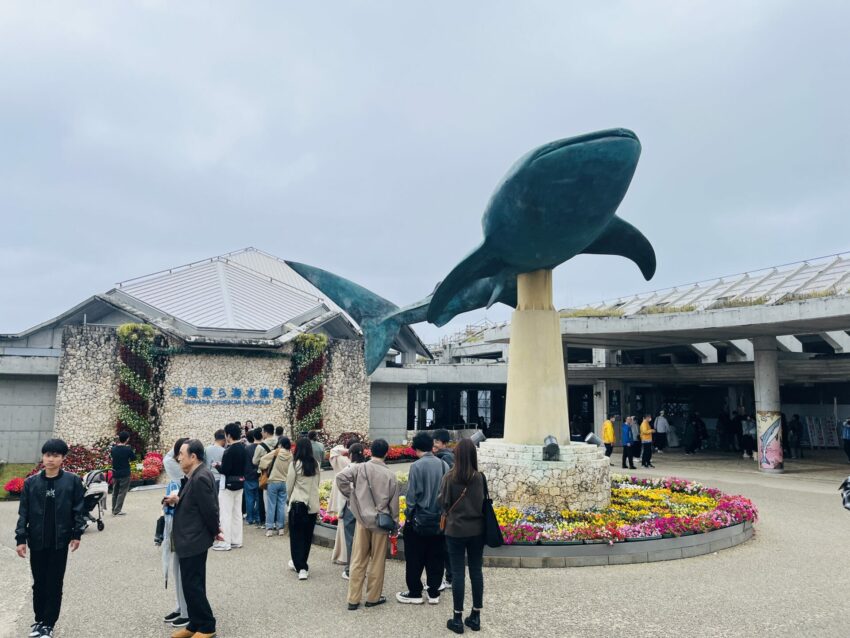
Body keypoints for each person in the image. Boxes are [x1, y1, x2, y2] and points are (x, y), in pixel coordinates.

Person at [15, 438, 85, 638]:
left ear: (63, 458)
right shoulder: (31, 483)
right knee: (39, 583)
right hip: (37, 540)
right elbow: (23, 513)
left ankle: (49, 624)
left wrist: (76, 534)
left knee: (54, 582)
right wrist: (21, 539)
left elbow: (78, 509)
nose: (50, 459)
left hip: (59, 541)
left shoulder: (72, 481)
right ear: (43, 457)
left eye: (55, 455)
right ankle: (39, 621)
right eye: (47, 455)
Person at [336, 438, 399, 610]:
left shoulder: (360, 468)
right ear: (387, 453)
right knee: (377, 561)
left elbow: (340, 477)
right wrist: (394, 524)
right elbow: (394, 505)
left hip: (362, 520)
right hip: (381, 523)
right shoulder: (390, 475)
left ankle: (353, 599)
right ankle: (373, 597)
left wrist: (352, 496)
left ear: (370, 451)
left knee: (358, 559)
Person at [167, 439, 222, 638]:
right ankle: (195, 623)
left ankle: (207, 626)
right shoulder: (194, 475)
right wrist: (177, 499)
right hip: (188, 538)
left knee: (194, 585)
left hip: (194, 539)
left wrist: (215, 531)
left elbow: (210, 509)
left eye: (182, 454)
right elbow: (196, 502)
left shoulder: (201, 477)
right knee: (189, 584)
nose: (178, 458)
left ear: (193, 456)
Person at [439, 438, 486, 634]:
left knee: (458, 573)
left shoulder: (450, 477)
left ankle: (457, 618)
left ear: (457, 455)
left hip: (455, 530)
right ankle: (475, 615)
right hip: (477, 530)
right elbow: (484, 502)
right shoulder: (479, 477)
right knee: (476, 571)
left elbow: (442, 502)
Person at [397, 431, 448, 605]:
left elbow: (412, 496)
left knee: (414, 558)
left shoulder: (416, 466)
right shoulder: (443, 465)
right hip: (438, 520)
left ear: (416, 448)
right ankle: (433, 592)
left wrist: (408, 516)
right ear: (431, 446)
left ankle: (415, 592)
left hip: (419, 519)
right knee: (436, 557)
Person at [162, 438, 190, 630]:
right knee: (176, 567)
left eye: (182, 454)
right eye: (178, 454)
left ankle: (186, 611)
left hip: (183, 526)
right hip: (174, 523)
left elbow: (167, 459)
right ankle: (181, 606)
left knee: (183, 570)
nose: (178, 458)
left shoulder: (187, 473)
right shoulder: (181, 473)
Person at [287, 437, 321, 580]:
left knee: (296, 537)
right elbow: (317, 483)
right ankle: (302, 564)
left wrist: (290, 498)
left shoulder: (295, 464)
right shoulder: (316, 464)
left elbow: (289, 485)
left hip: (298, 504)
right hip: (312, 505)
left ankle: (300, 566)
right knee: (307, 537)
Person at [213, 423, 246, 551]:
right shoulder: (243, 448)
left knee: (225, 514)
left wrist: (217, 465)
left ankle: (225, 542)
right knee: (237, 513)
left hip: (227, 486)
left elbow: (225, 470)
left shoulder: (229, 450)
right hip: (240, 483)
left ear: (229, 435)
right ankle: (236, 540)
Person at [338, 442, 366, 579]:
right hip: (366, 506)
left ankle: (350, 569)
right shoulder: (367, 467)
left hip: (351, 506)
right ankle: (362, 568)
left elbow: (340, 478)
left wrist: (350, 494)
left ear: (350, 455)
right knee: (364, 539)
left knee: (350, 539)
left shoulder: (350, 468)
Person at [432, 428, 455, 589]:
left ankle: (448, 578)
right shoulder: (448, 457)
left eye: (437, 442)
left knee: (444, 547)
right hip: (447, 510)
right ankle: (449, 577)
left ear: (444, 443)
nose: (434, 445)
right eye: (433, 441)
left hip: (444, 510)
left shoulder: (445, 459)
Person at [259, 436, 292, 537]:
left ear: (280, 444)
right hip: (284, 482)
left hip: (273, 481)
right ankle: (280, 528)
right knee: (281, 505)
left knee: (271, 505)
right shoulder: (291, 455)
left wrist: (265, 468)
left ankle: (269, 528)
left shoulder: (276, 452)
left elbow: (263, 460)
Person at [329, 439, 353, 566]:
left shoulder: (341, 460)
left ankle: (342, 555)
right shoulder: (353, 462)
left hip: (340, 493)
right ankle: (345, 555)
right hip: (351, 495)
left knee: (342, 526)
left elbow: (333, 451)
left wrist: (345, 450)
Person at [110, 430, 136, 516]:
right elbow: (133, 458)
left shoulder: (113, 449)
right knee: (122, 492)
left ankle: (114, 509)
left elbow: (112, 457)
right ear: (127, 439)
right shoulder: (127, 449)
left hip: (115, 473)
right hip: (125, 473)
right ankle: (117, 510)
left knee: (115, 492)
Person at [242, 430, 260, 527]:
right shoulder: (261, 447)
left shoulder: (246, 449)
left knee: (249, 499)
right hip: (259, 475)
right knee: (258, 498)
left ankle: (250, 518)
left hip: (248, 476)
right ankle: (258, 517)